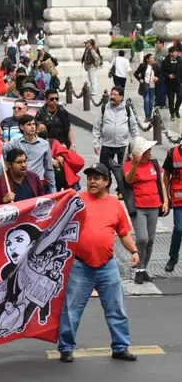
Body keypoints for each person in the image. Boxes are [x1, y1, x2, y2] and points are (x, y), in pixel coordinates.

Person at [57, 163, 140, 363]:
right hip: (80, 266)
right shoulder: (76, 200)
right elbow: (56, 222)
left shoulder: (115, 205)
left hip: (107, 266)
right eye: (90, 177)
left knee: (116, 308)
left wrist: (134, 251)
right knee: (71, 310)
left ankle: (120, 347)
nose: (92, 181)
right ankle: (66, 348)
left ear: (106, 181)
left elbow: (123, 233)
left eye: (97, 178)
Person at [123, 137, 167, 284]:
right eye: (147, 151)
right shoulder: (129, 165)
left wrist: (165, 201)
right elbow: (129, 180)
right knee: (142, 238)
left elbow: (161, 182)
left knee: (151, 240)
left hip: (154, 205)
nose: (150, 152)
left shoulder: (153, 163)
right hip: (139, 207)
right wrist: (135, 165)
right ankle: (139, 268)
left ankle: (142, 270)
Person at [2, 115, 56, 194]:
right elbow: (1, 152)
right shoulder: (15, 143)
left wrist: (53, 189)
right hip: (20, 182)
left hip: (38, 183)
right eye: (29, 124)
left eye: (33, 124)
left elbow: (48, 168)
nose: (32, 127)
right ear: (21, 127)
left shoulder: (44, 144)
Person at [92, 86, 139, 168]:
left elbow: (134, 128)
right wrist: (96, 143)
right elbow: (97, 126)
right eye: (111, 94)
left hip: (123, 146)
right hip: (107, 145)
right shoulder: (104, 108)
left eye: (115, 95)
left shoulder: (127, 109)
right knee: (104, 172)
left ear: (121, 97)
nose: (112, 97)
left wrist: (134, 145)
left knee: (124, 171)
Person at [161, 138, 182, 273]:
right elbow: (165, 177)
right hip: (179, 200)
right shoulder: (172, 153)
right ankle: (173, 257)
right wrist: (166, 200)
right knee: (179, 229)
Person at [134, 53, 160, 122]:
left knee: (151, 101)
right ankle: (146, 116)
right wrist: (140, 79)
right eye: (151, 58)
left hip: (153, 86)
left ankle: (149, 116)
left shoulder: (155, 66)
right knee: (146, 100)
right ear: (147, 59)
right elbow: (135, 73)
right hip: (145, 86)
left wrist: (157, 78)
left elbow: (160, 75)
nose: (153, 59)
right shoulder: (143, 65)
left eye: (153, 58)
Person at [162, 45, 182, 120]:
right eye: (175, 52)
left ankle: (176, 110)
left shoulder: (180, 60)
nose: (177, 53)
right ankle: (172, 113)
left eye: (177, 51)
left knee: (180, 97)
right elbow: (162, 72)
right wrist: (168, 75)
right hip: (169, 83)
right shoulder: (165, 61)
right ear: (170, 53)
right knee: (171, 99)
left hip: (178, 83)